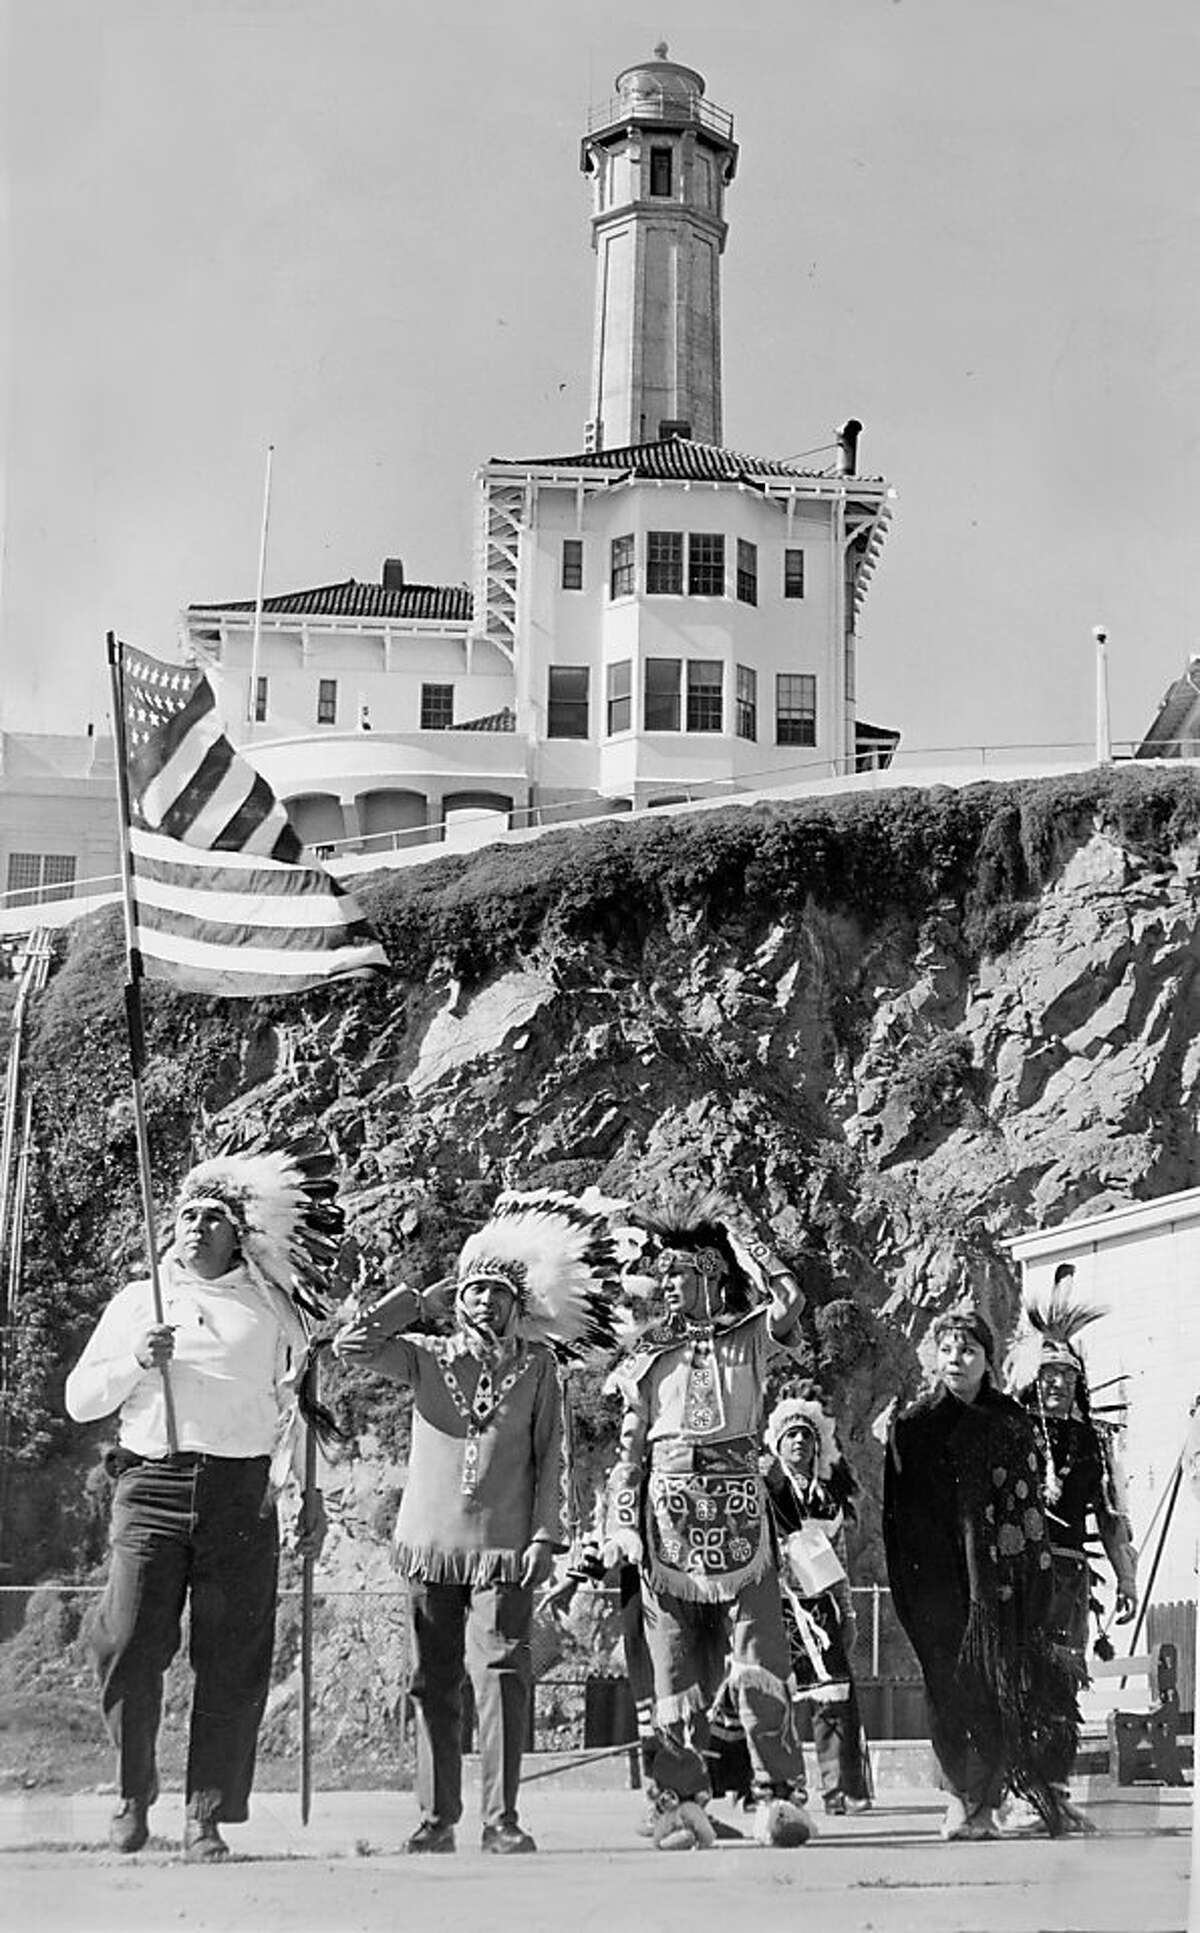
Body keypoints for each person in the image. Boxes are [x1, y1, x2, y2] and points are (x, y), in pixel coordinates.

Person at [65, 1143, 340, 1860]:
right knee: (128, 1642)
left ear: (239, 1232)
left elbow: (301, 1411)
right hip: (151, 1486)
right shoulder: (139, 1301)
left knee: (233, 1657)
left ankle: (205, 1815)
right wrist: (135, 1360)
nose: (195, 1226)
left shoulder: (276, 1312)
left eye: (213, 1215)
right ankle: (131, 1796)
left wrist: (310, 1494)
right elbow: (79, 1400)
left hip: (241, 1493)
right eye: (187, 1213)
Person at [334, 1188, 617, 1856]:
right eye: (472, 1290)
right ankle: (436, 1818)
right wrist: (415, 1299)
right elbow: (352, 1344)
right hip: (429, 1544)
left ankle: (501, 1816)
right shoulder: (425, 1355)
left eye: (496, 1292)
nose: (483, 1301)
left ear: (520, 1306)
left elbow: (554, 1456)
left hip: (505, 1547)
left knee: (503, 1676)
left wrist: (549, 1534)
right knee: (431, 1680)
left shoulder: (540, 1367)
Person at [603, 1188, 815, 1849]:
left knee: (761, 1659)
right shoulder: (645, 1351)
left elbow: (790, 1303)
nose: (667, 1282)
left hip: (740, 1513)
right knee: (673, 1668)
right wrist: (620, 1519)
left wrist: (744, 1239)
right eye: (662, 1272)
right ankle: (680, 1803)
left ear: (713, 1274)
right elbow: (629, 1446)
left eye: (681, 1271)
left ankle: (779, 1796)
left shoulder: (749, 1333)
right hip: (665, 1519)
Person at [883, 1301, 1080, 1842]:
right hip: (938, 1586)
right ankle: (959, 1797)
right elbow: (896, 1519)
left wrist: (1027, 1582)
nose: (955, 1360)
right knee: (946, 1689)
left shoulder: (1009, 1422)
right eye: (945, 1350)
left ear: (987, 1360)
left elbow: (1028, 1512)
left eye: (967, 1350)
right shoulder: (913, 1426)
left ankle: (994, 1800)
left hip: (1000, 1582)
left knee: (1001, 1687)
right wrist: (913, 1588)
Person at [1005, 1273, 1138, 1832]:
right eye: (1049, 1373)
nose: (1057, 1383)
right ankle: (1015, 1794)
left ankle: (1054, 1791)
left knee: (1061, 1682)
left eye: (1066, 1375)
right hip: (1014, 1576)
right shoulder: (1009, 1432)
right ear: (1034, 1379)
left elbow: (1111, 1516)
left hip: (1067, 1576)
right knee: (1015, 1680)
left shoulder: (1092, 1442)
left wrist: (1127, 1579)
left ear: (1076, 1382)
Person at [761, 1389, 872, 1816]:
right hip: (776, 1603)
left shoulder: (829, 1499)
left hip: (821, 1607)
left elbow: (838, 1559)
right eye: (790, 1436)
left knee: (832, 1700)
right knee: (775, 1698)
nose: (799, 1443)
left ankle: (839, 1790)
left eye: (806, 1436)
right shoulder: (765, 1488)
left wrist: (847, 1611)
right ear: (778, 1443)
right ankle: (782, 1788)